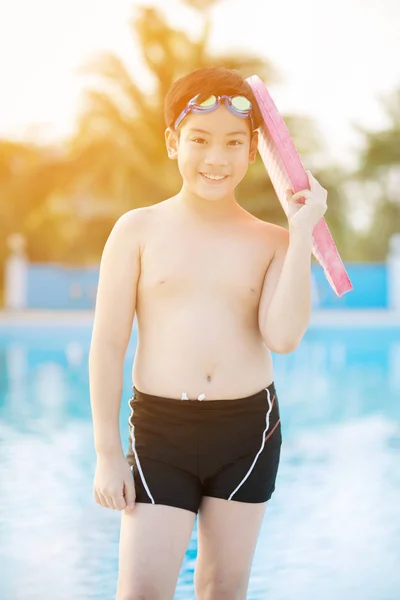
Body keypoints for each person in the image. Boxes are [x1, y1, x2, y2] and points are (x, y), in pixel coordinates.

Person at [89, 66, 328, 600]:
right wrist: (107, 453)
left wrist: (301, 232)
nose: (216, 159)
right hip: (161, 433)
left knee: (223, 587)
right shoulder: (137, 230)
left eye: (233, 143)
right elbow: (108, 345)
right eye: (200, 140)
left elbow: (283, 337)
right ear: (174, 143)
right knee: (142, 590)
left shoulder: (271, 241)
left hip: (247, 432)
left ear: (253, 151)